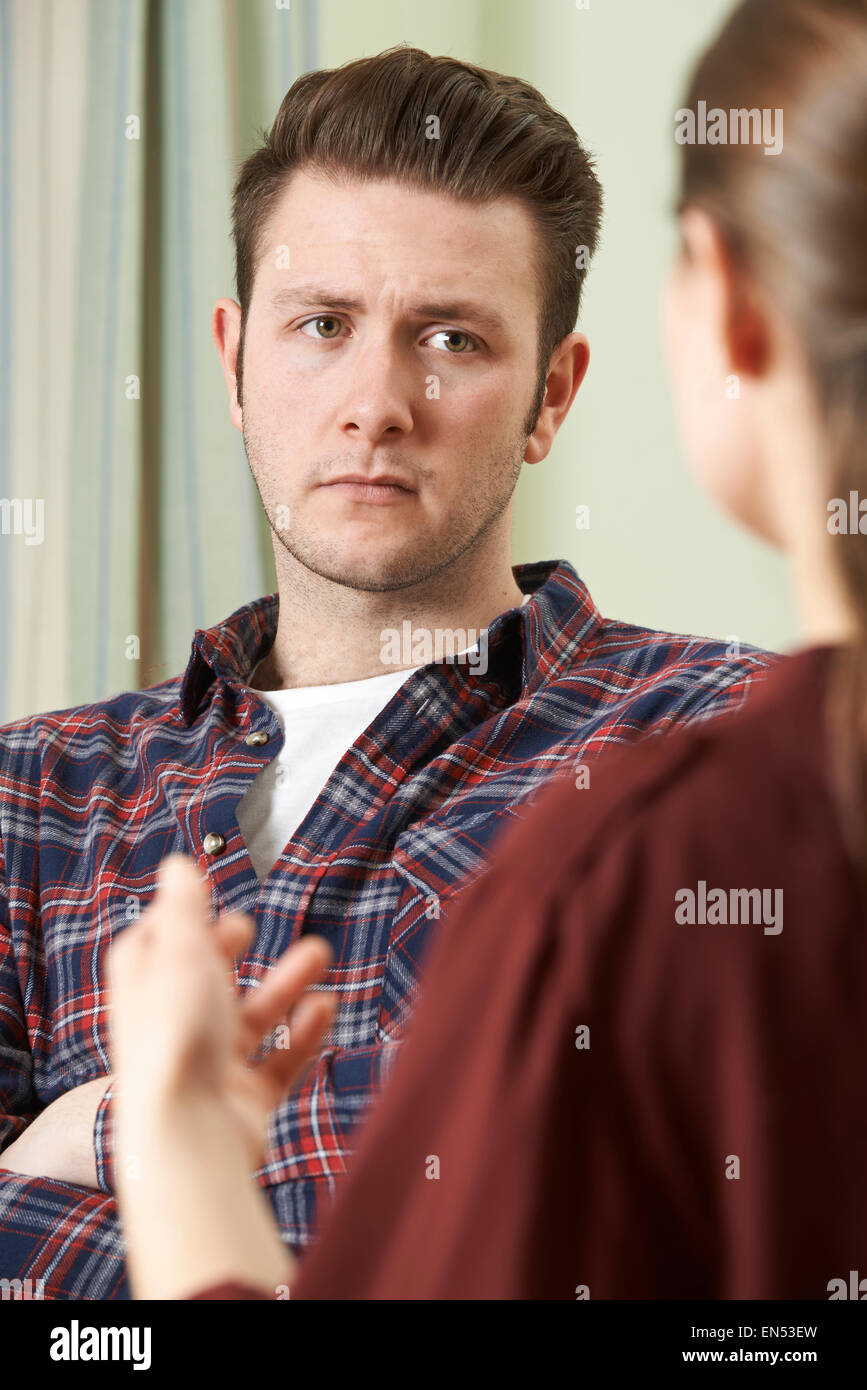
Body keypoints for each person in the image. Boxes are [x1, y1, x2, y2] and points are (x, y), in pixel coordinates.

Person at [108, 0, 867, 1299]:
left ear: (554, 394)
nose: (376, 405)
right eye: (319, 324)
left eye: (451, 339)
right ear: (233, 360)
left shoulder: (685, 786)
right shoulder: (24, 796)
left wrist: (142, 1159)